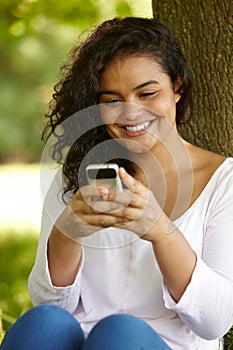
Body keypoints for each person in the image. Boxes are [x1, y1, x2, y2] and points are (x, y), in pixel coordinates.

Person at [1, 16, 233, 350]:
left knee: (119, 334)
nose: (130, 112)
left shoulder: (223, 182)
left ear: (177, 87)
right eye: (111, 100)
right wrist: (70, 230)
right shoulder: (77, 174)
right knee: (44, 323)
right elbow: (50, 306)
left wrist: (160, 230)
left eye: (147, 93)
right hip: (79, 342)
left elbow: (215, 322)